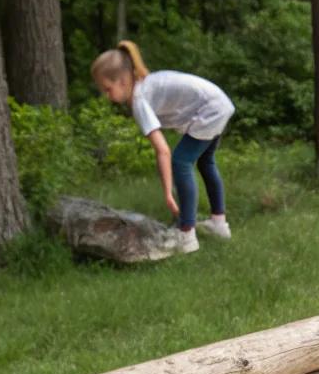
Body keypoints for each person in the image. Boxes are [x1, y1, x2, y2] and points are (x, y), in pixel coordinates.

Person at [91, 40, 234, 253]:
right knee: (205, 161)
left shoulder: (139, 99)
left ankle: (186, 235)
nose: (106, 95)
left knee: (181, 161)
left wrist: (168, 193)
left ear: (122, 81)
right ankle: (218, 224)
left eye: (107, 89)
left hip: (211, 109)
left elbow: (163, 150)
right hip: (219, 103)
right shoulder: (145, 86)